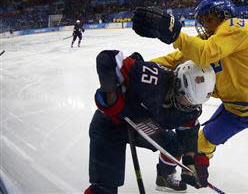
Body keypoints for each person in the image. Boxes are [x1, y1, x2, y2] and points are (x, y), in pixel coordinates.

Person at [132, 0, 248, 194]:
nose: (204, 26)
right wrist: (133, 69)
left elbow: (206, 53)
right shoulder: (206, 41)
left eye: (208, 19)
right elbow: (171, 61)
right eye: (201, 21)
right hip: (232, 111)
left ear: (224, 16)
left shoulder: (238, 27)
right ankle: (204, 164)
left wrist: (175, 35)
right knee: (201, 144)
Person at [85, 49, 215, 194]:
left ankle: (164, 177)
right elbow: (107, 58)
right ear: (178, 84)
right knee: (104, 188)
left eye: (193, 104)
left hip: (141, 124)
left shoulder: (191, 109)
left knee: (175, 147)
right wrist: (111, 97)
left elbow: (187, 136)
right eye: (187, 98)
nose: (188, 107)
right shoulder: (150, 77)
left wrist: (190, 163)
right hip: (109, 127)